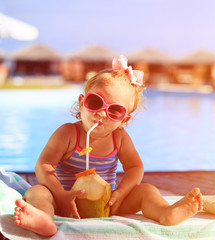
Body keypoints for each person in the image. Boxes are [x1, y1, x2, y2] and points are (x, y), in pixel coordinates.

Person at [12, 55, 203, 236]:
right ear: (81, 103)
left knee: (146, 190)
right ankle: (45, 220)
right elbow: (43, 165)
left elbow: (135, 167)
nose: (102, 114)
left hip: (108, 205)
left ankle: (165, 212)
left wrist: (120, 193)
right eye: (95, 102)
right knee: (37, 192)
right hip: (63, 202)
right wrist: (60, 195)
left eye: (115, 111)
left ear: (124, 119)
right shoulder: (68, 133)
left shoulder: (119, 138)